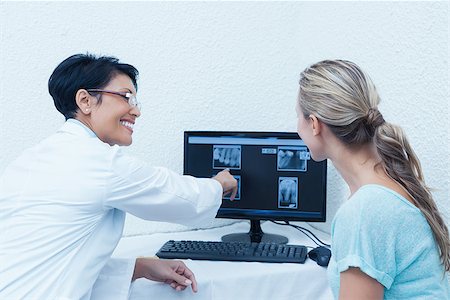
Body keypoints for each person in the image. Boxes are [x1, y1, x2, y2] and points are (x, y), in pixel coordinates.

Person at [0, 53, 238, 299]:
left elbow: (48, 260)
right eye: (126, 97)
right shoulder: (99, 162)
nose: (136, 111)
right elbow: (180, 197)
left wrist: (139, 267)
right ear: (85, 101)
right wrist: (219, 184)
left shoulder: (28, 161)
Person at [296, 60, 450, 299]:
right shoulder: (389, 182)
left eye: (298, 117)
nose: (297, 128)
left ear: (315, 124)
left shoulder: (364, 211)